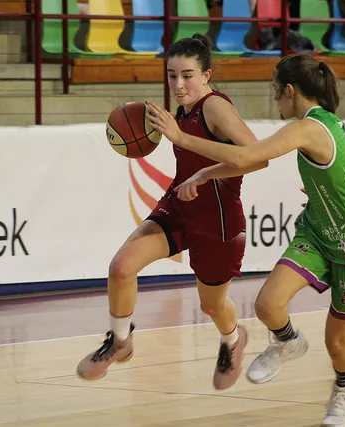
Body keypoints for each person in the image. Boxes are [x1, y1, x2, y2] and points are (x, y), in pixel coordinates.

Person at [146, 53, 345, 427]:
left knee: (337, 344)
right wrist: (324, 196)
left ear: (290, 91)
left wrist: (180, 138)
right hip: (317, 232)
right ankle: (288, 341)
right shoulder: (336, 125)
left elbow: (246, 155)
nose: (275, 101)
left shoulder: (306, 128)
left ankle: (344, 390)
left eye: (276, 92)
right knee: (267, 305)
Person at [77, 33, 268, 390]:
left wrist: (183, 143)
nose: (178, 85)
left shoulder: (214, 106)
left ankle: (232, 339)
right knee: (121, 267)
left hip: (218, 222)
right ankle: (120, 340)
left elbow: (257, 157)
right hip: (179, 206)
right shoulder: (182, 111)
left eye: (187, 76)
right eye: (172, 75)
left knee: (212, 306)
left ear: (206, 75)